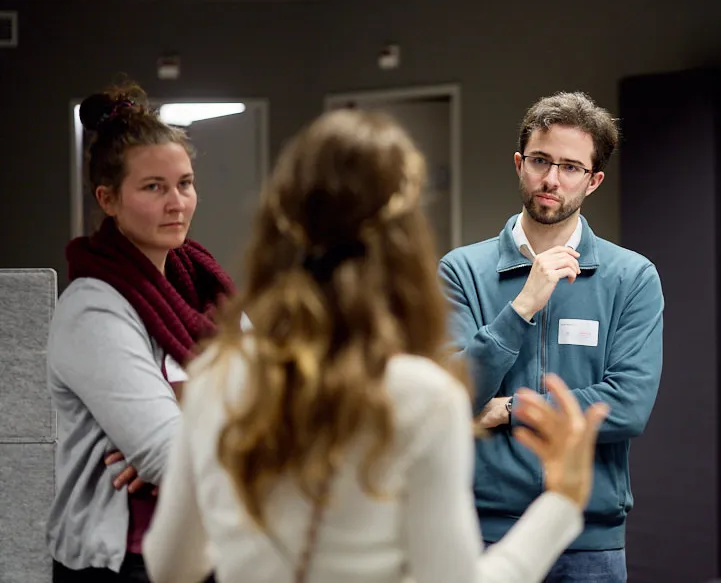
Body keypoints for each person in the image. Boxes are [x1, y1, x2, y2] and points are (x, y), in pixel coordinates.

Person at [141, 109, 610, 583]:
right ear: (403, 241)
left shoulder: (217, 377)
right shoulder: (422, 398)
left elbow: (170, 566)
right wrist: (562, 504)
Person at [438, 91, 664, 582]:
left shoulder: (632, 277)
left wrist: (509, 409)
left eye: (570, 167)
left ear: (594, 180)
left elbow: (626, 405)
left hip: (590, 541)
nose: (551, 179)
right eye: (540, 161)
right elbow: (451, 396)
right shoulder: (462, 271)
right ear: (520, 163)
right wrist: (522, 306)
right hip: (484, 535)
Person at [47, 83, 235, 581]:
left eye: (185, 183)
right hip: (125, 563)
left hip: (214, 545)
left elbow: (285, 401)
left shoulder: (206, 286)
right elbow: (169, 456)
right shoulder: (93, 307)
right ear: (108, 199)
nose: (177, 203)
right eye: (153, 187)